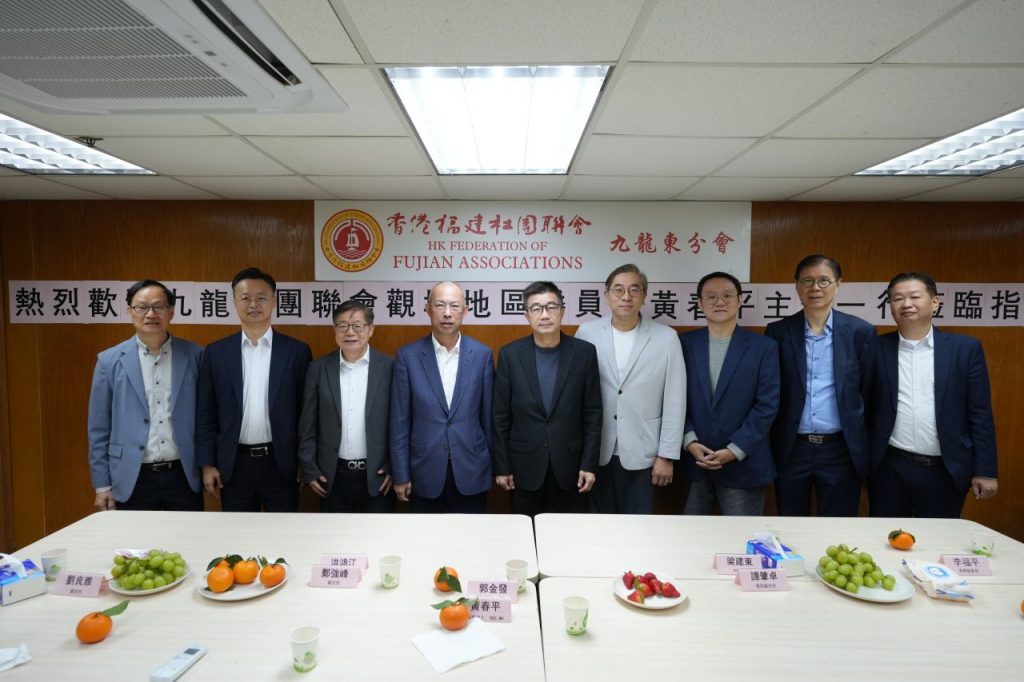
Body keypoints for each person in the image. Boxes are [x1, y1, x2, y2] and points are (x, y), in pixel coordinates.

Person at [867, 272, 998, 518]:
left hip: (946, 469)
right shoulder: (874, 348)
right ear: (890, 306)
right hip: (889, 468)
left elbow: (980, 414)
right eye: (897, 299)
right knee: (887, 536)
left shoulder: (965, 349)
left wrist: (986, 470)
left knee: (939, 538)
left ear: (934, 302)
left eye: (915, 297)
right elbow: (864, 407)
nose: (906, 304)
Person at [765, 255, 875, 517]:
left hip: (840, 448)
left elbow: (869, 392)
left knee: (838, 526)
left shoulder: (860, 332)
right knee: (790, 523)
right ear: (796, 286)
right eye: (807, 281)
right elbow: (771, 390)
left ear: (838, 284)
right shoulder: (778, 332)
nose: (815, 288)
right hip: (792, 447)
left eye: (824, 281)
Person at [196, 267, 311, 512]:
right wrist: (207, 464)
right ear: (235, 302)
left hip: (282, 464)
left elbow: (306, 413)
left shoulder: (297, 352)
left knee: (285, 532)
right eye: (245, 298)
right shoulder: (216, 353)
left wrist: (306, 461)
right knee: (238, 535)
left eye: (261, 298)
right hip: (234, 465)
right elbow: (206, 413)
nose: (253, 304)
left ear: (274, 301)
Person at [575, 264, 685, 514]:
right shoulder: (587, 333)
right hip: (595, 451)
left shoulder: (666, 338)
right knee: (598, 525)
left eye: (634, 290)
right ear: (606, 295)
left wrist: (666, 455)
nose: (626, 296)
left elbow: (675, 400)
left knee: (637, 526)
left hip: (644, 451)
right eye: (618, 290)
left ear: (644, 296)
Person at [87, 279, 204, 511]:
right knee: (134, 537)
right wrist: (102, 485)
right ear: (129, 311)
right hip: (131, 477)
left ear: (171, 312)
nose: (151, 314)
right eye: (141, 307)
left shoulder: (195, 355)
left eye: (159, 307)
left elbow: (207, 418)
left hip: (182, 474)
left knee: (187, 534)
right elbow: (98, 429)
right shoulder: (108, 361)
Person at [492, 281, 602, 515]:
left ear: (562, 311)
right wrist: (502, 466)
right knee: (524, 532)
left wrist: (589, 464)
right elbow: (500, 417)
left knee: (567, 534)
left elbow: (593, 414)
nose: (544, 315)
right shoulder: (510, 355)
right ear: (526, 315)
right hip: (523, 469)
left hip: (572, 470)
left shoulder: (584, 353)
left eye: (551, 307)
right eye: (536, 308)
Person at [389, 281, 494, 513]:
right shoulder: (407, 357)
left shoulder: (482, 355)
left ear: (465, 311)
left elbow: (488, 419)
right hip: (423, 471)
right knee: (426, 536)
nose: (447, 313)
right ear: (428, 309)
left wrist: (494, 468)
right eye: (440, 305)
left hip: (471, 468)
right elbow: (399, 423)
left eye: (454, 306)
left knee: (470, 534)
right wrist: (401, 474)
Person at [680, 272, 780, 515]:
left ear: (740, 300)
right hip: (694, 461)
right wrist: (689, 440)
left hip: (744, 464)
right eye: (711, 297)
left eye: (727, 295)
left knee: (741, 535)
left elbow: (767, 405)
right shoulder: (683, 344)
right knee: (690, 534)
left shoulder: (763, 347)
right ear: (699, 302)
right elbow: (672, 398)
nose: (720, 302)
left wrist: (734, 450)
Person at [297, 301, 395, 513]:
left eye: (358, 326)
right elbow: (307, 425)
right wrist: (310, 469)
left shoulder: (390, 367)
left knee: (377, 534)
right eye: (342, 326)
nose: (350, 332)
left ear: (371, 330)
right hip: (332, 477)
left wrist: (393, 467)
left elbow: (399, 423)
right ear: (334, 329)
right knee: (333, 535)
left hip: (377, 477)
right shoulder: (318, 369)